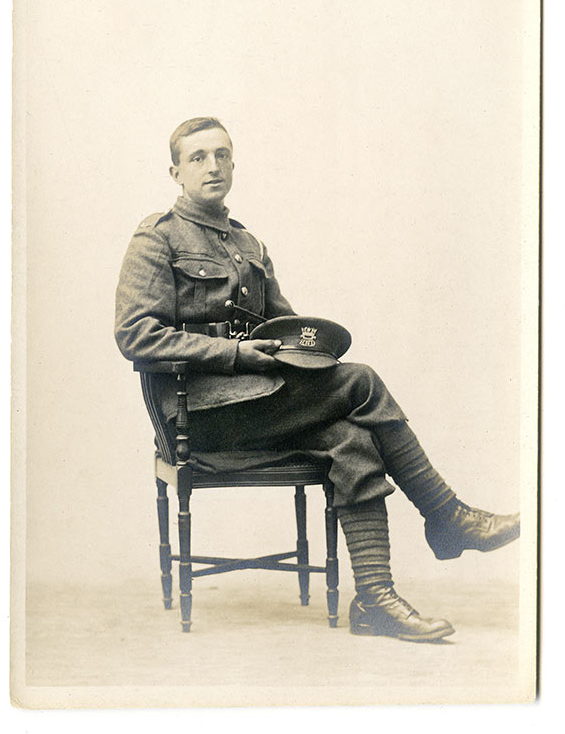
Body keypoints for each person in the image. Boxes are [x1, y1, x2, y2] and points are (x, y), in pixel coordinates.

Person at [115, 116, 520, 643]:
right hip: (200, 416)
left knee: (352, 439)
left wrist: (312, 350)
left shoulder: (248, 245)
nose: (212, 166)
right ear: (175, 172)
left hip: (260, 406)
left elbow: (285, 330)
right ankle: (449, 517)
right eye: (198, 157)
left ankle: (375, 599)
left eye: (221, 154)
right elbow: (136, 336)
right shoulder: (157, 237)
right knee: (363, 382)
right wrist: (235, 354)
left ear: (234, 164)